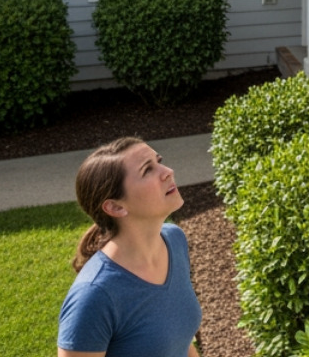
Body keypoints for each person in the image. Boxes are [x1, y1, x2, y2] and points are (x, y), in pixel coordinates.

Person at [57, 137, 201, 357]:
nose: (168, 171)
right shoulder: (94, 296)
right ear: (115, 206)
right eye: (147, 170)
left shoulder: (174, 241)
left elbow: (180, 343)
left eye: (159, 161)